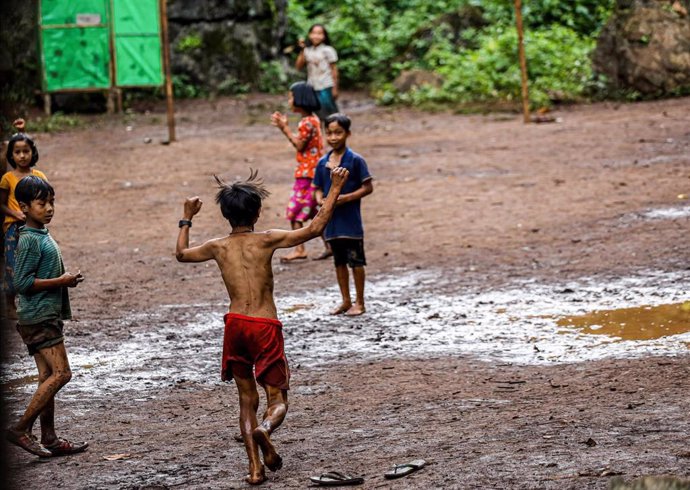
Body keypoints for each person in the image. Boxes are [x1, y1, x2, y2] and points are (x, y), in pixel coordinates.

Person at [175, 166, 350, 485]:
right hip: (264, 325)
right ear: (257, 211)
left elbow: (182, 255)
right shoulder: (267, 239)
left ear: (226, 215)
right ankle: (265, 429)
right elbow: (315, 228)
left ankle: (255, 469)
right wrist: (336, 187)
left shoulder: (217, 246)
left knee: (246, 401)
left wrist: (187, 216)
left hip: (235, 325)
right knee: (277, 399)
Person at [5, 175, 87, 458]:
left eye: (51, 202)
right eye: (42, 203)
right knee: (62, 373)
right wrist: (61, 281)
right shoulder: (29, 240)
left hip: (41, 315)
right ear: (24, 207)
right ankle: (20, 428)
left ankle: (49, 437)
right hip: (39, 316)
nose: (49, 208)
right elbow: (23, 283)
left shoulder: (40, 233)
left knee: (46, 376)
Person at [312, 113, 373, 316]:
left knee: (356, 262)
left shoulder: (355, 160)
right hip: (332, 223)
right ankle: (345, 300)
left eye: (338, 133)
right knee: (339, 262)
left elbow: (368, 187)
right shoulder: (322, 163)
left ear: (348, 133)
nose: (333, 138)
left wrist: (346, 198)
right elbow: (317, 188)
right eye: (329, 133)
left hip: (351, 222)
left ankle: (360, 302)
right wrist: (321, 200)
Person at [271, 81, 330, 262]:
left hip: (306, 174)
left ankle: (299, 249)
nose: (289, 100)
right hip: (315, 171)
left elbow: (299, 145)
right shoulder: (313, 119)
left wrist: (284, 128)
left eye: (291, 96)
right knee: (312, 210)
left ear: (300, 99)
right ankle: (329, 245)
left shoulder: (306, 122)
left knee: (295, 210)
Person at [1, 119, 48, 319]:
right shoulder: (7, 178)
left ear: (32, 152)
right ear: (10, 155)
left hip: (35, 228)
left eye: (26, 151)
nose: (22, 155)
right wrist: (16, 214)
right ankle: (10, 304)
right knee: (13, 265)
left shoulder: (38, 176)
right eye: (17, 152)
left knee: (36, 264)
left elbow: (45, 199)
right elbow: (1, 204)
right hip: (14, 230)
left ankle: (34, 302)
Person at [295, 24, 339, 123]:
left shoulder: (328, 50)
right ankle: (319, 135)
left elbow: (334, 69)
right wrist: (302, 50)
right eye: (314, 33)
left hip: (326, 84)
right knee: (315, 113)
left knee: (330, 112)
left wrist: (335, 88)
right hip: (312, 85)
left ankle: (334, 134)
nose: (316, 36)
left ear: (324, 36)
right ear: (310, 35)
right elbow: (298, 66)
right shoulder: (307, 50)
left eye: (319, 33)